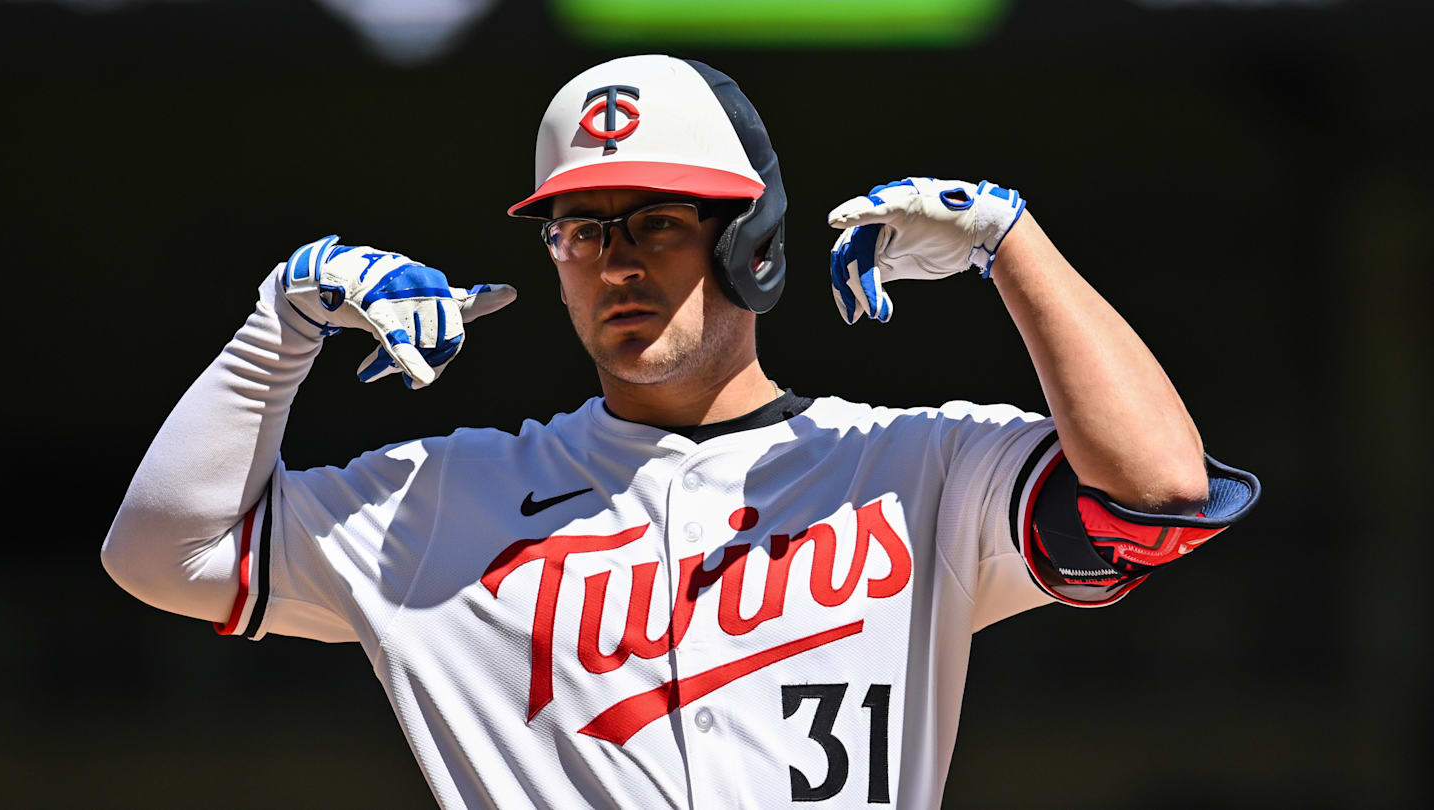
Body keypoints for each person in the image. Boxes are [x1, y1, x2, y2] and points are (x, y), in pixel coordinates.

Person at [102, 55, 1259, 809]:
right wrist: (279, 327)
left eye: (656, 221)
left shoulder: (916, 467)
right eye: (580, 229)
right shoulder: (439, 500)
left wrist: (1016, 247)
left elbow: (1155, 491)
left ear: (750, 243)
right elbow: (159, 557)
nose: (615, 259)